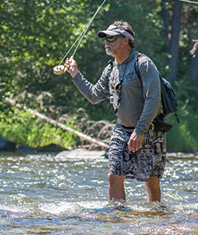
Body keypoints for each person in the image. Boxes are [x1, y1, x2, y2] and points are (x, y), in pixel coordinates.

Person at [62, 21, 167, 203]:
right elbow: (94, 96)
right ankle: (118, 219)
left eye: (111, 38)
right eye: (105, 38)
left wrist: (139, 131)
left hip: (151, 130)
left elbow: (153, 99)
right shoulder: (110, 69)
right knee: (114, 176)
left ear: (126, 40)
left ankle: (154, 220)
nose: (106, 42)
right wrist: (75, 74)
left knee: (151, 182)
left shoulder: (143, 63)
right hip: (121, 130)